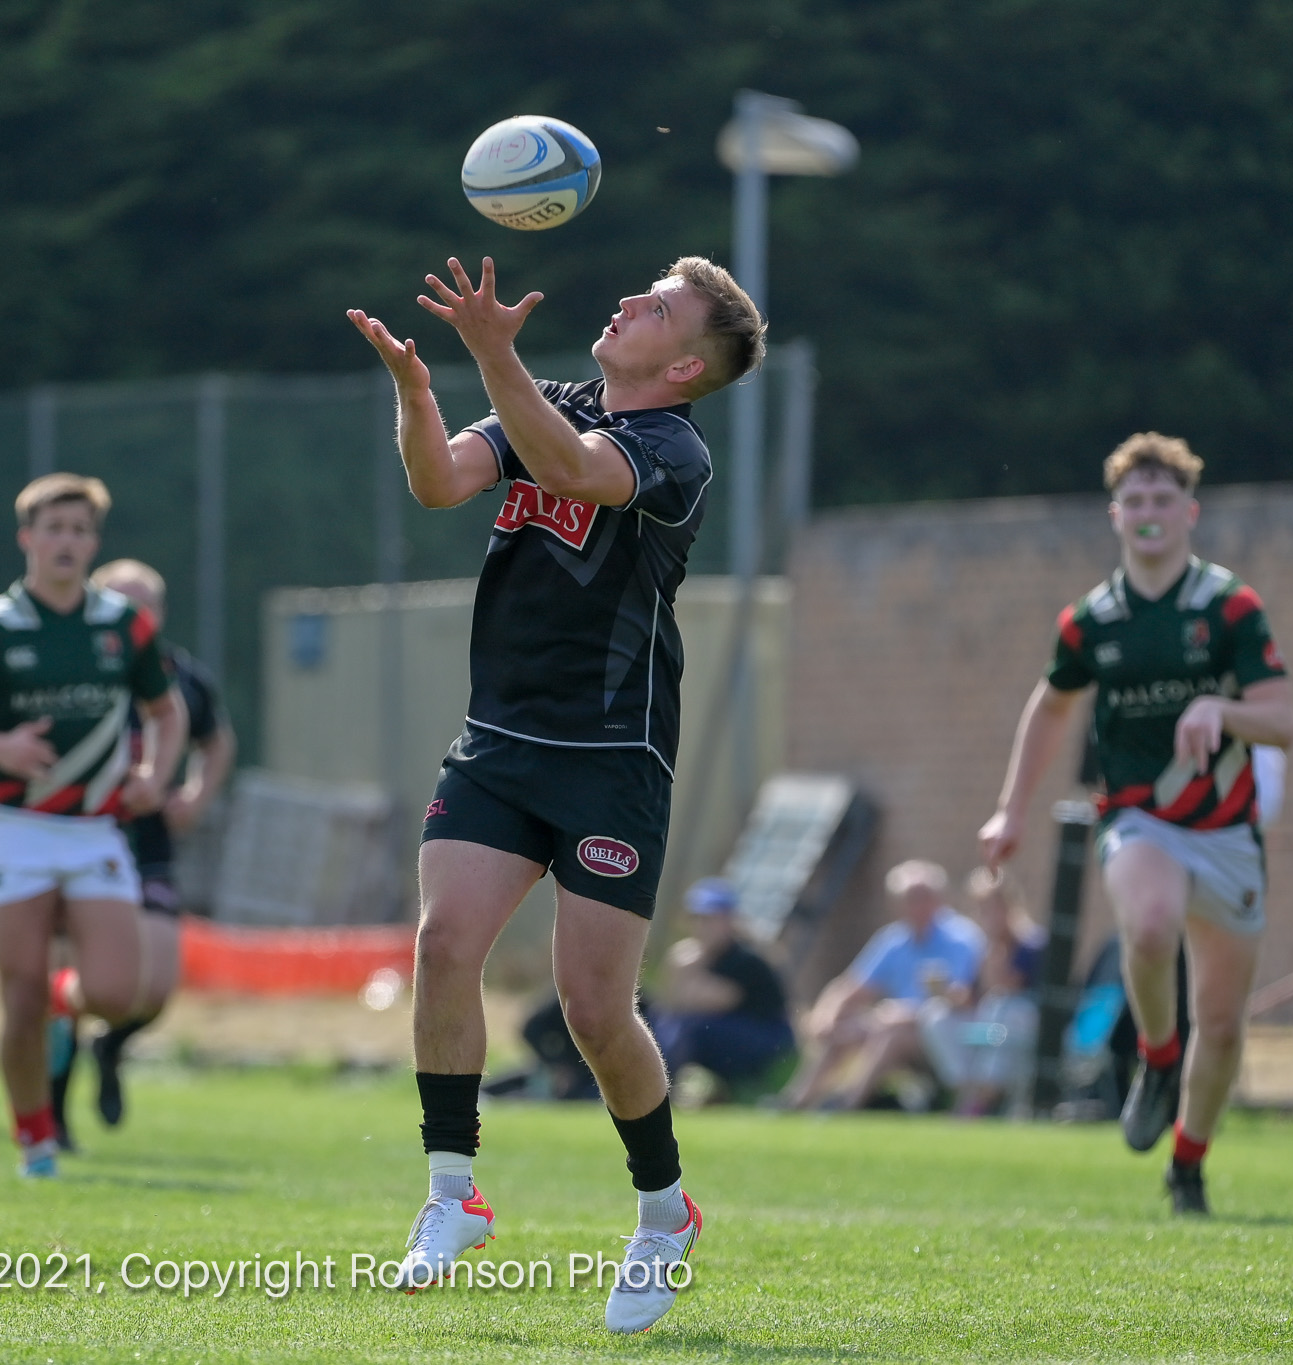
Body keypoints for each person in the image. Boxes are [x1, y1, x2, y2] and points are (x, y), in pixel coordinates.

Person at [348, 252, 766, 1332]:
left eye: (656, 307)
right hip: (499, 741)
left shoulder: (671, 449)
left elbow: (576, 472)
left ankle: (663, 1211)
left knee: (592, 1009)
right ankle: (453, 1192)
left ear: (681, 362)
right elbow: (440, 479)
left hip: (610, 758)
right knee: (443, 948)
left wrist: (493, 355)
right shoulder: (560, 402)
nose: (624, 301)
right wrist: (416, 394)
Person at [979, 432, 1293, 1215]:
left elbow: (1284, 721)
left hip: (1228, 831)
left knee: (1221, 1027)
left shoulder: (1230, 606)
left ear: (1189, 512)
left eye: (1164, 500)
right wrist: (1010, 808)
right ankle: (1157, 1058)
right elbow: (1051, 705)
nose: (1149, 513)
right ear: (1115, 515)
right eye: (1136, 501)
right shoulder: (1094, 618)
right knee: (1149, 927)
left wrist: (1221, 707)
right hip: (1136, 816)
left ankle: (1187, 1163)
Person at [0, 474, 187, 1178]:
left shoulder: (123, 626)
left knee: (115, 992)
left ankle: (65, 1005)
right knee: (20, 993)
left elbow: (167, 712)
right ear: (26, 538)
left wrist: (155, 776)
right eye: (54, 528)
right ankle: (34, 1135)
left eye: (79, 530)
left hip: (96, 831)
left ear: (93, 543)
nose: (66, 541)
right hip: (18, 828)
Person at [51, 558, 236, 1132]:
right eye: (119, 603)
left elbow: (217, 741)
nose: (134, 616)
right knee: (81, 977)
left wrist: (195, 796)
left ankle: (109, 1048)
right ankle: (51, 1113)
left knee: (150, 992)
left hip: (148, 845)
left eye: (143, 606)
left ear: (158, 614)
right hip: (78, 838)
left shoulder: (182, 678)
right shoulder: (73, 669)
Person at [778, 860, 985, 1112]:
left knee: (892, 1035)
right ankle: (796, 1101)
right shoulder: (894, 940)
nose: (915, 905)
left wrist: (904, 1015)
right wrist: (827, 1016)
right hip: (891, 1024)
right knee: (845, 1030)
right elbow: (851, 987)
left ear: (938, 899)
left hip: (952, 1033)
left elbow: (960, 1000)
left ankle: (847, 1102)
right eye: (908, 898)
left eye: (921, 896)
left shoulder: (962, 938)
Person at [649, 878, 794, 1099]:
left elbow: (707, 1001)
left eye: (709, 919)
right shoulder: (703, 955)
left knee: (689, 1027)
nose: (701, 926)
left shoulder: (743, 958)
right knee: (659, 1020)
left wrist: (686, 968)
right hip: (729, 1031)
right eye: (697, 919)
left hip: (768, 1040)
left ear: (728, 920)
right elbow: (669, 1002)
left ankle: (657, 1093)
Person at [916, 867, 1044, 1117]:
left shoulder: (1032, 945)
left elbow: (1008, 987)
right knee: (936, 1016)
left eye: (992, 908)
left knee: (1001, 1006)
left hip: (1024, 1028)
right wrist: (945, 992)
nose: (987, 916)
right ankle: (970, 1092)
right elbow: (972, 999)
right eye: (982, 909)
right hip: (990, 1031)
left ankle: (980, 1101)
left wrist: (997, 955)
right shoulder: (984, 949)